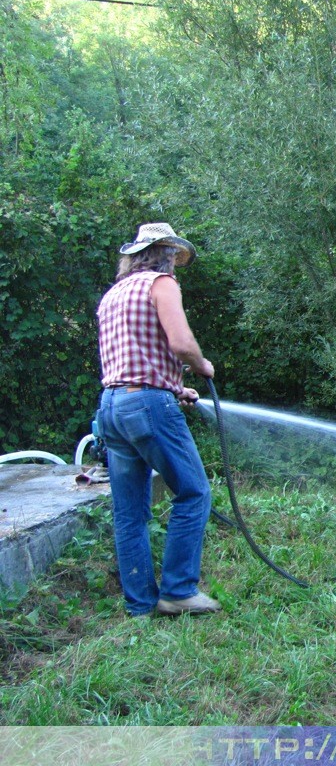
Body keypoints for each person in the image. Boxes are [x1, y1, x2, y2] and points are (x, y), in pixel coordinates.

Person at [96, 222, 221, 618]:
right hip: (146, 405)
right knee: (194, 492)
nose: (174, 266)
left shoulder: (113, 295)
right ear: (166, 254)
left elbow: (134, 360)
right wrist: (202, 366)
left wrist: (173, 388)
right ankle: (179, 590)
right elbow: (181, 344)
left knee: (129, 511)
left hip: (113, 407)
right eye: (173, 258)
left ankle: (139, 606)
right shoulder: (161, 284)